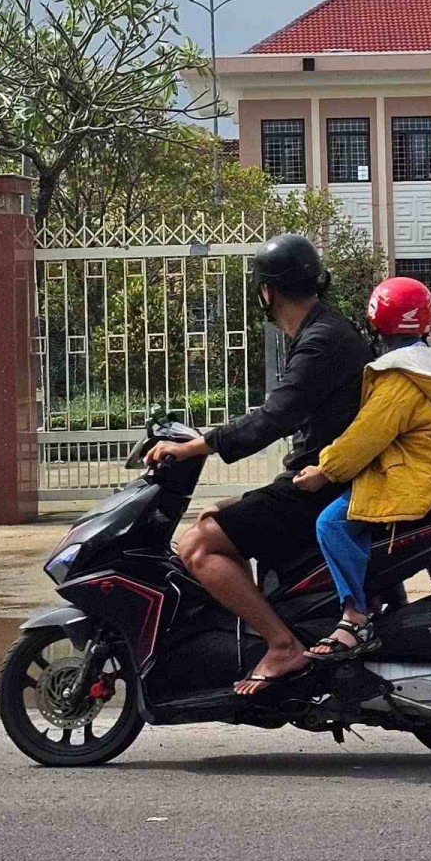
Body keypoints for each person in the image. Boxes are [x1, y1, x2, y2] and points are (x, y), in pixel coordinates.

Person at [143, 233, 370, 697]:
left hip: (321, 487)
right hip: (320, 477)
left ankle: (281, 644)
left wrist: (193, 448)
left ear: (265, 292)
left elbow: (274, 417)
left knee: (197, 546)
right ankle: (257, 633)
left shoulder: (320, 340)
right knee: (213, 517)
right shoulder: (323, 329)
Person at [293, 276, 431, 659]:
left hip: (412, 475)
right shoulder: (429, 365)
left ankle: (355, 617)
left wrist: (324, 469)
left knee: (332, 523)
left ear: (377, 320)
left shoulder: (399, 379)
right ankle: (387, 599)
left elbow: (366, 436)